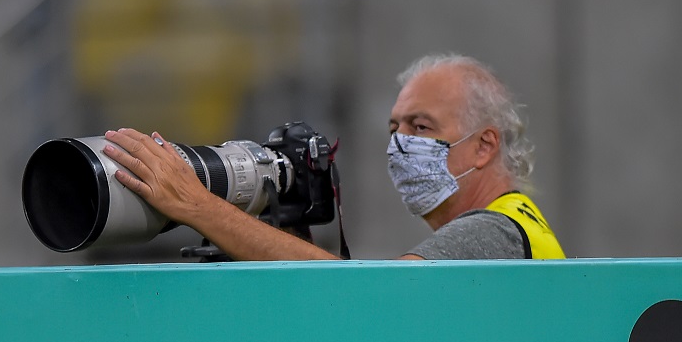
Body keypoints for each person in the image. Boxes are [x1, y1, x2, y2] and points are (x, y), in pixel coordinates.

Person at [98, 53, 565, 261]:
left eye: (421, 127)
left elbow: (370, 298)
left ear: (484, 147)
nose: (400, 144)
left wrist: (197, 205)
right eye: (394, 128)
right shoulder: (518, 224)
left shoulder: (494, 232)